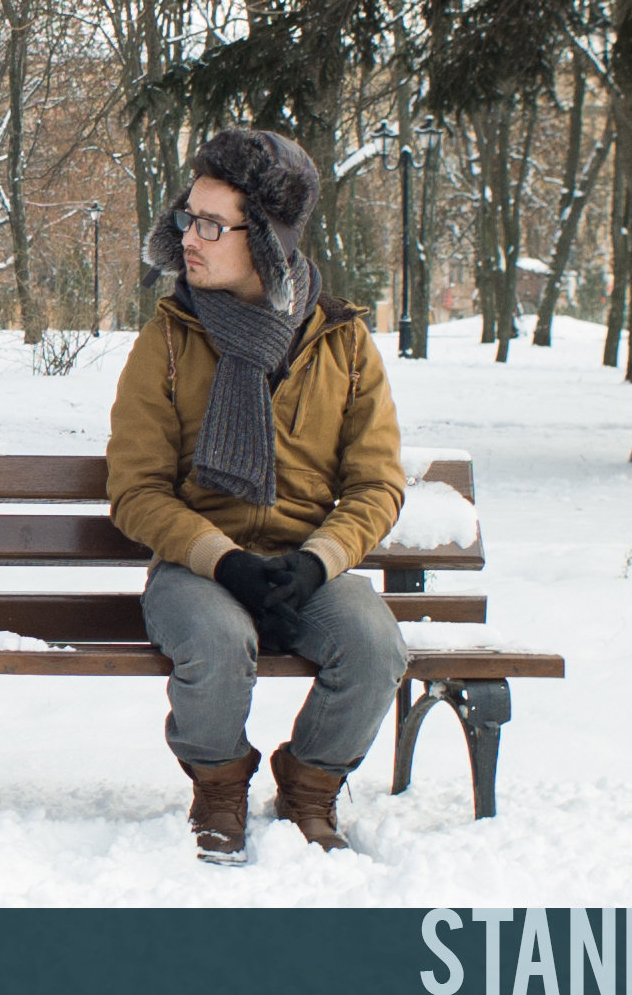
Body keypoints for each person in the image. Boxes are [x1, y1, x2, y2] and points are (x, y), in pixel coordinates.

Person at [106, 128, 408, 863]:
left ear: (267, 241)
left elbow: (377, 483)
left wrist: (317, 563)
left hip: (308, 567)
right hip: (199, 569)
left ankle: (309, 788)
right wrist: (223, 560)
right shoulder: (170, 338)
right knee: (214, 637)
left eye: (213, 225)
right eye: (187, 218)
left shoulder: (343, 342)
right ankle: (217, 788)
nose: (190, 239)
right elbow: (135, 490)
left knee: (374, 645)